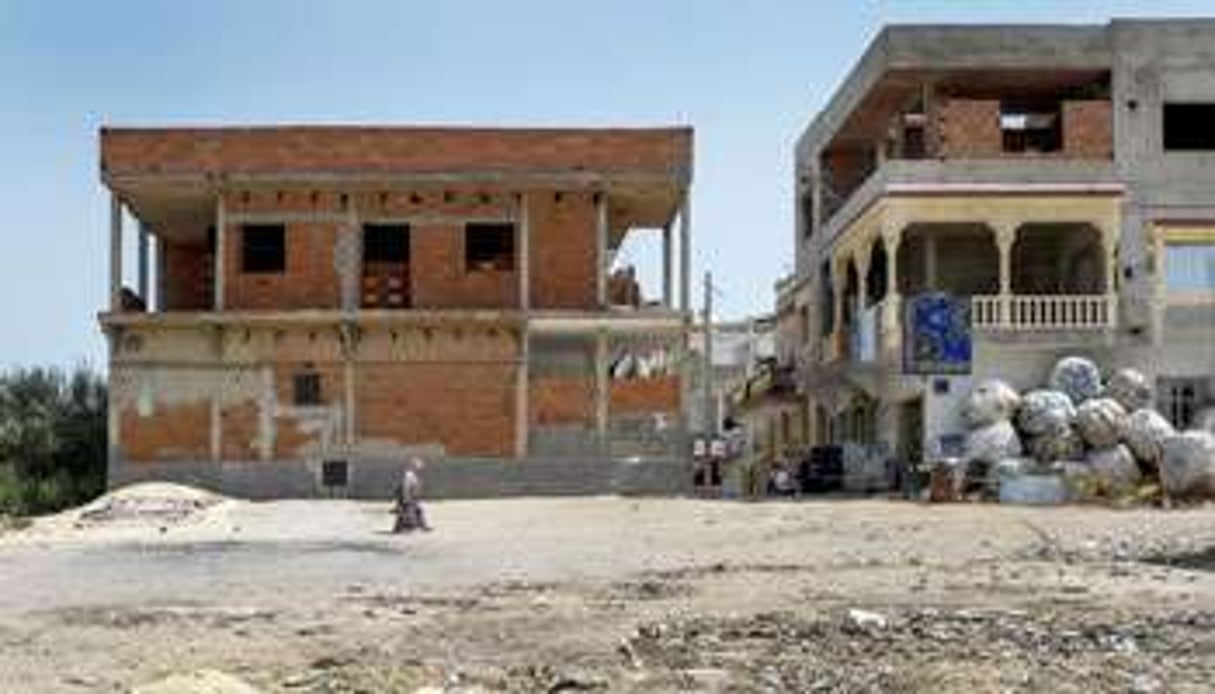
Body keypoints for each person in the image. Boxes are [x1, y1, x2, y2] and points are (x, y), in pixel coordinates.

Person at [393, 457, 431, 533]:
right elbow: (405, 487)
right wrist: (406, 498)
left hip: (410, 498)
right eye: (419, 467)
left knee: (415, 511)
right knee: (408, 512)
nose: (420, 469)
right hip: (408, 498)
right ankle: (404, 528)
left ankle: (421, 526)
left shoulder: (412, 475)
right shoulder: (409, 475)